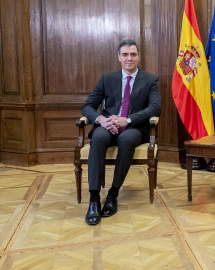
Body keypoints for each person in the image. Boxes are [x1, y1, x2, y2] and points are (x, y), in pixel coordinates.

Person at [81, 39, 161, 225]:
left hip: (134, 128)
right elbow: (87, 106)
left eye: (133, 54)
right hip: (108, 125)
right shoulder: (107, 79)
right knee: (98, 137)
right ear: (119, 57)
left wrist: (128, 120)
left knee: (126, 139)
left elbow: (155, 108)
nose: (129, 58)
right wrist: (101, 120)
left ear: (139, 57)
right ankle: (94, 199)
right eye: (125, 54)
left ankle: (112, 194)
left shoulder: (150, 80)